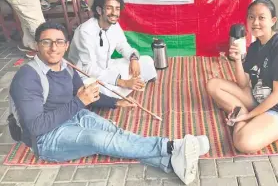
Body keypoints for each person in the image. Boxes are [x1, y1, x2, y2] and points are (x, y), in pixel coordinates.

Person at [10, 21, 210, 185]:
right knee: (99, 139)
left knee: (115, 134)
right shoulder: (28, 77)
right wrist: (79, 101)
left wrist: (115, 102)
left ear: (66, 45)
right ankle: (172, 146)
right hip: (46, 138)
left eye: (59, 42)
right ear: (37, 45)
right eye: (46, 42)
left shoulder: (66, 66)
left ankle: (171, 162)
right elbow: (36, 126)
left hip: (72, 115)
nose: (53, 48)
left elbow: (83, 94)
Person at [206, 0, 278, 153]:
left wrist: (247, 116)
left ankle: (242, 116)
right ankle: (242, 112)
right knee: (213, 85)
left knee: (244, 143)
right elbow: (244, 84)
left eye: (261, 17)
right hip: (259, 97)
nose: (255, 22)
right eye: (251, 17)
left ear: (273, 21)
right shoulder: (254, 47)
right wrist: (238, 60)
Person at [68, 0, 157, 98]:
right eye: (109, 8)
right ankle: (128, 85)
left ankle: (129, 84)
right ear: (99, 10)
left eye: (117, 9)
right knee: (105, 90)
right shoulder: (85, 31)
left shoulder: (114, 24)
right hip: (86, 75)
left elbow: (123, 45)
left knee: (147, 61)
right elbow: (89, 68)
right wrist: (123, 82)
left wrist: (133, 58)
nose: (114, 13)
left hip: (107, 67)